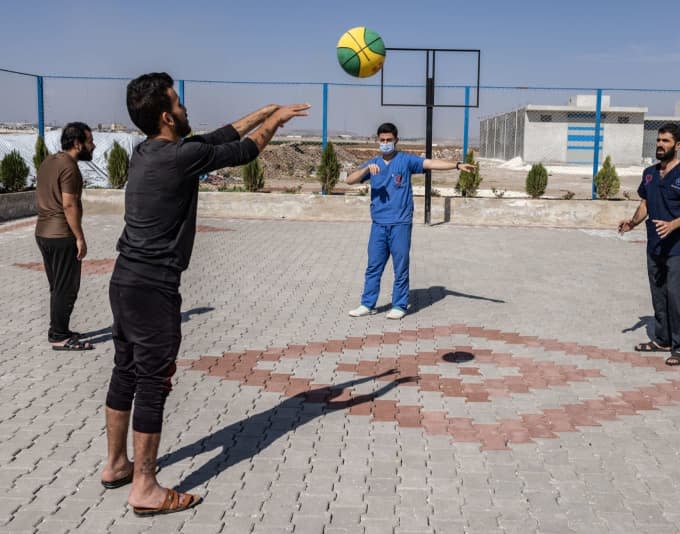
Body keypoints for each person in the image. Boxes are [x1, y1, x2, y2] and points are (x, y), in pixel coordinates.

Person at [100, 72, 309, 516]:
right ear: (166, 116)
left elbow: (217, 136)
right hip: (154, 286)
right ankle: (146, 488)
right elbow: (245, 149)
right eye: (178, 102)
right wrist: (274, 124)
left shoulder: (146, 151)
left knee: (126, 371)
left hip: (124, 281)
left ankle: (117, 463)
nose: (185, 107)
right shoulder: (181, 156)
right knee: (153, 382)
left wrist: (266, 111)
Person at [345, 122, 475, 320]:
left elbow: (430, 163)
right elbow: (349, 180)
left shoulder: (405, 161)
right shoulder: (373, 164)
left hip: (400, 224)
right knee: (373, 266)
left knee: (401, 265)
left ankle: (399, 305)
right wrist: (365, 171)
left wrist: (456, 165)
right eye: (382, 140)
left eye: (389, 140)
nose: (386, 143)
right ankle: (367, 304)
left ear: (396, 140)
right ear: (377, 141)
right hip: (379, 224)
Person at [618, 122, 680, 366]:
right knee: (658, 295)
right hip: (654, 245)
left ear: (678, 145)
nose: (660, 145)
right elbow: (645, 202)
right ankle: (662, 339)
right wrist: (633, 222)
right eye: (659, 140)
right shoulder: (650, 173)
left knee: (676, 295)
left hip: (677, 246)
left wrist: (674, 224)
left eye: (666, 141)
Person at [34, 122, 95, 351]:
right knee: (66, 287)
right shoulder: (70, 167)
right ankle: (59, 336)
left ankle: (61, 328)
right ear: (78, 144)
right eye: (90, 141)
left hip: (43, 233)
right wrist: (79, 237)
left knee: (57, 286)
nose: (94, 145)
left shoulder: (49, 161)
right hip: (61, 235)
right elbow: (69, 205)